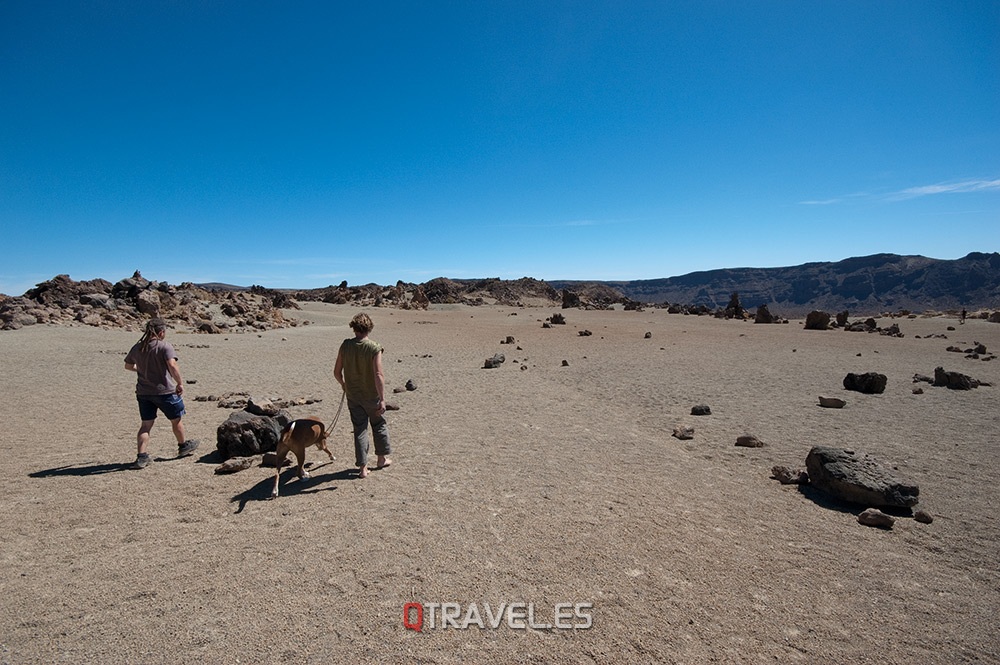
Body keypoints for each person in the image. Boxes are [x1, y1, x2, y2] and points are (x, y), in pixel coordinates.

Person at [124, 318, 199, 469]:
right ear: (161, 332)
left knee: (146, 425)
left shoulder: (138, 347)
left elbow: (128, 365)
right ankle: (183, 446)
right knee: (176, 420)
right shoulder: (165, 346)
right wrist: (180, 383)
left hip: (144, 392)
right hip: (165, 391)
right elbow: (172, 365)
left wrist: (141, 369)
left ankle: (141, 457)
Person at [334, 312, 391, 478]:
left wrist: (344, 385)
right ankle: (381, 459)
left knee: (360, 429)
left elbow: (337, 372)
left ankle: (363, 468)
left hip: (353, 396)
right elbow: (378, 375)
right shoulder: (374, 347)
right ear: (369, 327)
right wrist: (382, 399)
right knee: (378, 425)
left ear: (354, 327)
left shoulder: (346, 346)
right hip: (371, 395)